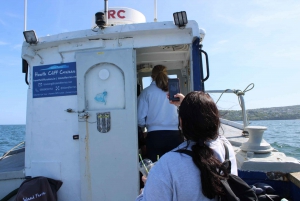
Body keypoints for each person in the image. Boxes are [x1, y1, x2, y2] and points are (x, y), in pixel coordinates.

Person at [136, 91, 238, 201]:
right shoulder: (226, 147)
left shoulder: (167, 163)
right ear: (215, 120)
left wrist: (148, 188)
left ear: (181, 123)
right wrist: (190, 105)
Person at [137, 65, 183, 162]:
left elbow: (140, 118)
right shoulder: (173, 91)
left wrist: (145, 127)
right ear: (166, 74)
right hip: (175, 136)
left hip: (154, 137)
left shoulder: (146, 92)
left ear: (152, 76)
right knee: (174, 168)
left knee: (155, 169)